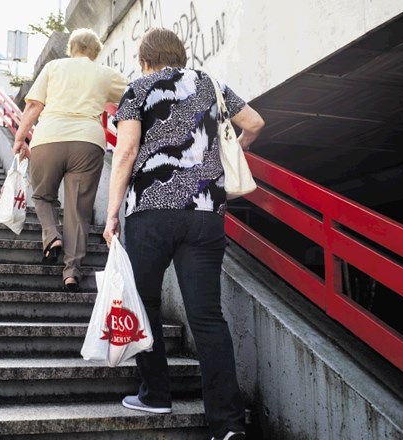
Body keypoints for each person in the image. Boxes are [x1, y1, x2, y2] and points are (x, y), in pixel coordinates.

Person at [103, 28, 265, 440]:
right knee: (208, 318)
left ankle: (155, 393)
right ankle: (228, 425)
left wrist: (111, 214)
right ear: (181, 53)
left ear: (144, 60)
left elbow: (124, 152)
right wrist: (232, 152)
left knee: (145, 303)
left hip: (151, 213)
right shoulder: (211, 83)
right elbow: (255, 122)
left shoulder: (139, 88)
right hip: (206, 214)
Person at [12, 28, 128, 292]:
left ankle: (52, 237)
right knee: (78, 210)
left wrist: (20, 138)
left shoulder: (54, 67)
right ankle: (71, 272)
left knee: (43, 196)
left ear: (71, 47)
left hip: (48, 137)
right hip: (88, 142)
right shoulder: (106, 74)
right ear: (96, 51)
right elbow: (134, 98)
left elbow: (34, 105)